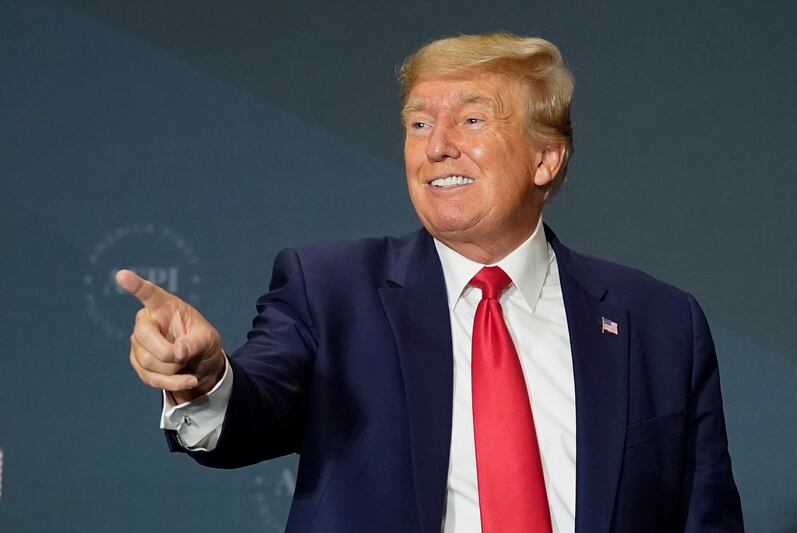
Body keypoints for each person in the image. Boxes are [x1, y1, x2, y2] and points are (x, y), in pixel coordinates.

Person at [117, 32, 744, 533]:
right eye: (419, 125)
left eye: (472, 121)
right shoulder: (333, 289)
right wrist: (205, 379)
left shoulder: (658, 322)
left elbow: (704, 516)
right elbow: (256, 406)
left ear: (544, 159)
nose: (437, 146)